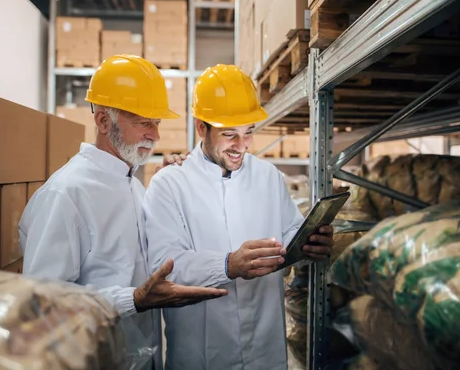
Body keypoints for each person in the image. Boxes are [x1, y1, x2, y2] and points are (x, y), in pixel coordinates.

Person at [18, 55, 227, 370]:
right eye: (143, 122)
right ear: (103, 121)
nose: (155, 135)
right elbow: (44, 304)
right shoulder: (66, 194)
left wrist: (165, 188)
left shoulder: (130, 184)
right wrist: (137, 299)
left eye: (156, 123)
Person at [142, 64, 335, 369]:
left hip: (265, 353)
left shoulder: (268, 176)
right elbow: (165, 268)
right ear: (201, 127)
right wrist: (228, 264)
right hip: (202, 357)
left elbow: (290, 236)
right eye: (229, 135)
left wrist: (310, 246)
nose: (241, 146)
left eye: (248, 133)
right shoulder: (170, 184)